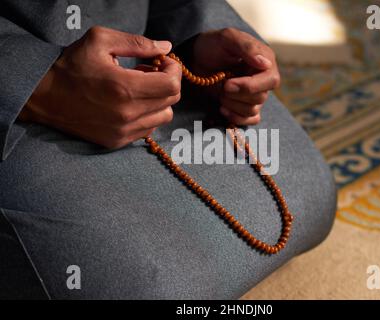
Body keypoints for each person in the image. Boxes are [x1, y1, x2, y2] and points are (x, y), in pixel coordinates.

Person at [0, 0, 336, 299]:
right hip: (18, 90)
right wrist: (39, 86)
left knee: (312, 194)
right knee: (146, 286)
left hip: (147, 39)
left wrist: (194, 37)